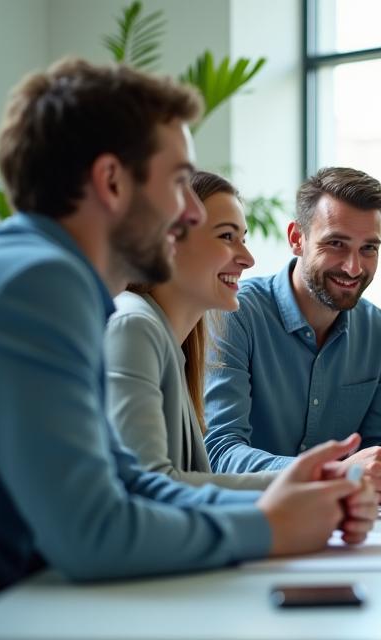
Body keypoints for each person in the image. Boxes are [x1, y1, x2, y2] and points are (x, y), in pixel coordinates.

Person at [0, 58, 377, 609]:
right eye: (180, 181)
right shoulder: (40, 283)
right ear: (112, 181)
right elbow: (94, 534)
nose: (189, 212)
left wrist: (289, 496)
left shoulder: (40, 273)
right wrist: (271, 529)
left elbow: (129, 481)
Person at [204, 167, 381, 504]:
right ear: (296, 239)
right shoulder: (234, 315)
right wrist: (332, 475)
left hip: (352, 526)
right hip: (253, 519)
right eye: (336, 243)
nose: (353, 267)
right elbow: (219, 452)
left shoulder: (377, 330)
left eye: (369, 249)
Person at [105, 170, 276, 489]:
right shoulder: (135, 325)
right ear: (168, 242)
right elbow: (147, 484)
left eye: (244, 238)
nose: (248, 259)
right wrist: (297, 483)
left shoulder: (170, 340)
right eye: (227, 236)